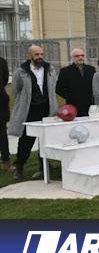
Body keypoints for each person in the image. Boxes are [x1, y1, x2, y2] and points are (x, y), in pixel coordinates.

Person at [8, 46, 58, 179]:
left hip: (47, 109)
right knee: (26, 140)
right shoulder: (21, 71)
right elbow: (16, 90)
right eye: (37, 54)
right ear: (29, 55)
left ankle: (44, 165)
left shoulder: (50, 69)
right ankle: (19, 167)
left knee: (45, 139)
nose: (40, 57)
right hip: (29, 110)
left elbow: (53, 87)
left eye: (41, 54)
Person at [55, 48, 96, 117]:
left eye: (82, 55)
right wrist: (71, 97)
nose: (80, 57)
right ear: (72, 58)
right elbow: (59, 89)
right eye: (77, 56)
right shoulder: (65, 71)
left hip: (90, 104)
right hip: (73, 106)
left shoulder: (91, 69)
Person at [0, 55, 10, 170]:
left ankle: (5, 161)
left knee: (2, 132)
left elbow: (5, 80)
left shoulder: (2, 61)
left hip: (1, 102)